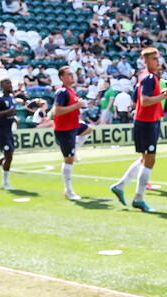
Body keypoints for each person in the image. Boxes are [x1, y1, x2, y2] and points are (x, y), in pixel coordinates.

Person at [110, 47, 167, 213]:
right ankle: (138, 198)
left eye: (158, 58)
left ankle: (120, 186)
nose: (157, 62)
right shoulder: (149, 78)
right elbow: (145, 101)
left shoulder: (147, 77)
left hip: (149, 121)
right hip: (146, 122)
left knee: (145, 158)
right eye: (153, 59)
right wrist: (164, 96)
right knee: (149, 159)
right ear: (145, 61)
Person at [52, 65, 93, 200]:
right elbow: (57, 111)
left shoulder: (71, 91)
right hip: (64, 130)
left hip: (73, 126)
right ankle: (68, 190)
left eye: (72, 74)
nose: (72, 76)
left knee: (88, 128)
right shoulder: (62, 92)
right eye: (68, 74)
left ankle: (74, 149)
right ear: (62, 77)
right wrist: (76, 106)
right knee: (68, 160)